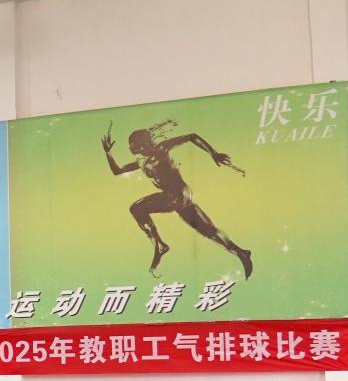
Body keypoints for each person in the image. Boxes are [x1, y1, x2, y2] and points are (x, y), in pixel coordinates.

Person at [100, 118, 252, 278]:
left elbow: (192, 136)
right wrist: (108, 153)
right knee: (209, 232)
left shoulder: (161, 149)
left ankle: (160, 245)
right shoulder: (142, 162)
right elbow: (117, 171)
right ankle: (241, 253)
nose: (132, 148)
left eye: (134, 144)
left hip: (176, 195)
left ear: (144, 143)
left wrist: (213, 153)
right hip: (180, 199)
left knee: (137, 208)